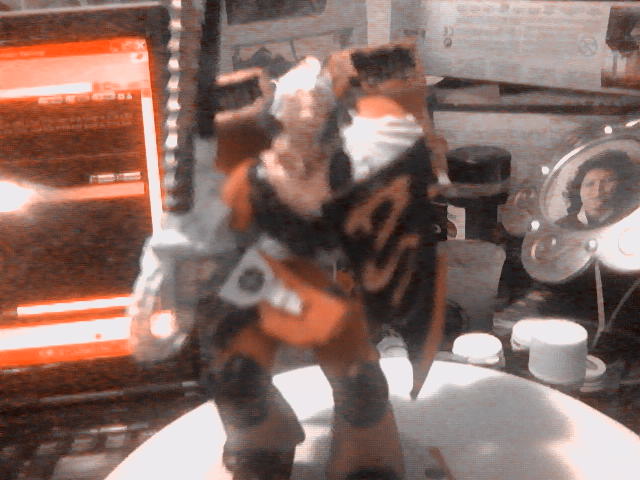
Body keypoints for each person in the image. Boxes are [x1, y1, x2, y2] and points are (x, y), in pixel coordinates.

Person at [556, 149, 638, 229]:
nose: (597, 192)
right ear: (578, 190)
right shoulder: (561, 226)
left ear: (620, 185)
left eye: (607, 182)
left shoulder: (632, 220)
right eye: (589, 184)